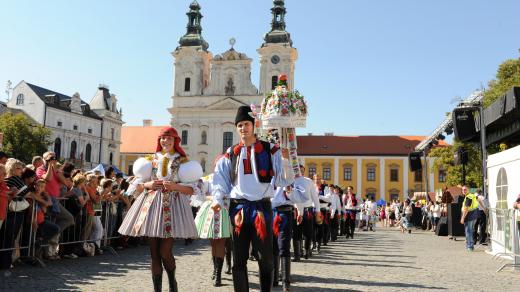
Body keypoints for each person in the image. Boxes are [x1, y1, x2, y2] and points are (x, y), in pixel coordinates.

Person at [211, 105, 293, 292]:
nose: (243, 128)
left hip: (261, 208)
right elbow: (220, 180)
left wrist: (286, 160)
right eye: (239, 125)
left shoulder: (270, 149)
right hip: (238, 208)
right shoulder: (230, 153)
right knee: (238, 259)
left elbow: (282, 180)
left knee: (265, 258)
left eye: (246, 124)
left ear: (254, 125)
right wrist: (217, 199)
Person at [118, 127, 202, 292]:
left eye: (169, 138)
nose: (166, 141)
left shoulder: (183, 162)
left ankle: (172, 283)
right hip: (151, 207)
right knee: (154, 253)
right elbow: (137, 186)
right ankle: (157, 289)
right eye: (163, 138)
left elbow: (194, 188)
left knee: (165, 252)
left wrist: (175, 186)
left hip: (172, 207)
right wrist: (147, 184)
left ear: (175, 141)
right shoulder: (150, 160)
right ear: (159, 140)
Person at [193, 155, 231, 287]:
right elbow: (198, 192)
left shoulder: (230, 180)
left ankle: (218, 274)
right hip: (211, 212)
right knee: (214, 244)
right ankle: (216, 271)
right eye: (217, 164)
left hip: (224, 212)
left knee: (220, 243)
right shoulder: (208, 179)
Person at [271, 175, 308, 291]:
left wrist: (300, 211)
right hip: (270, 212)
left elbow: (298, 195)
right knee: (272, 247)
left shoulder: (289, 173)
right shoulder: (268, 167)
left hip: (285, 212)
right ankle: (274, 278)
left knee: (284, 247)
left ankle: (285, 282)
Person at [36, 151, 75, 259]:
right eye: (50, 157)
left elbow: (65, 182)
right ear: (44, 159)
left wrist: (56, 169)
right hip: (46, 200)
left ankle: (49, 239)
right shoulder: (40, 169)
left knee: (68, 219)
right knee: (58, 222)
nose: (53, 159)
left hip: (55, 201)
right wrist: (49, 166)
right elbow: (47, 178)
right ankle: (46, 251)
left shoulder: (55, 169)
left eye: (54, 157)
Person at [294, 164, 320, 260]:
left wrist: (318, 210)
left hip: (307, 209)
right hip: (295, 210)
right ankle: (297, 254)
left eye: (301, 170)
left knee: (308, 233)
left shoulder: (308, 181)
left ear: (304, 171)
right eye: (298, 170)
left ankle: (306, 250)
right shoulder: (291, 181)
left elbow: (315, 197)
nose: (299, 171)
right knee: (296, 232)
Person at [459, 185, 479, 251]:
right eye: (462, 190)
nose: (463, 191)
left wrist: (462, 218)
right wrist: (484, 208)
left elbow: (466, 209)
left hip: (469, 216)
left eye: (465, 189)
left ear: (468, 190)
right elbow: (478, 199)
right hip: (473, 215)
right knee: (470, 231)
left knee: (468, 232)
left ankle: (470, 246)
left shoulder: (468, 197)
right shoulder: (472, 195)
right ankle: (471, 246)